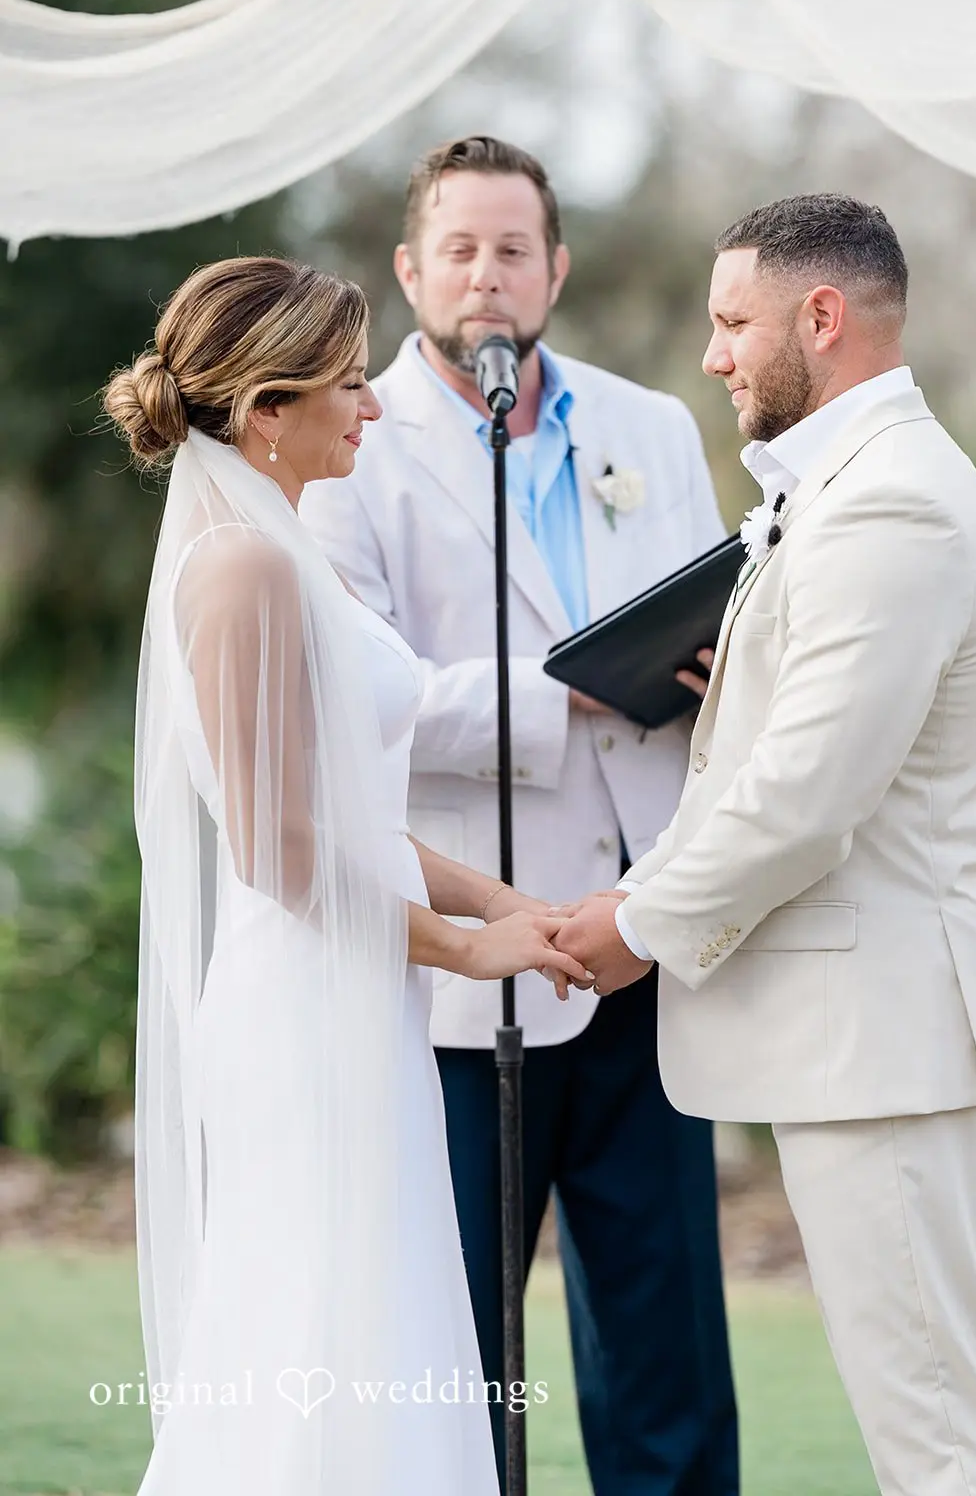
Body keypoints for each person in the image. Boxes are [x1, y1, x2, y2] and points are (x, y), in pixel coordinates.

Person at [553, 194, 976, 1495]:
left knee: (939, 1441)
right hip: (863, 1041)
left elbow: (806, 797)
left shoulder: (893, 507)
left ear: (820, 320)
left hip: (884, 1040)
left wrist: (633, 922)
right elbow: (782, 753)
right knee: (927, 1424)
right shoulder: (841, 491)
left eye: (732, 324)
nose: (712, 355)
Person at [103, 255, 590, 1496]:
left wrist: (498, 901)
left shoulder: (273, 545)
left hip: (351, 993)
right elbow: (278, 850)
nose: (371, 406)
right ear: (266, 410)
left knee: (368, 1311)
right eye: (343, 386)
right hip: (305, 1008)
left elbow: (342, 812)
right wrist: (469, 949)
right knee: (318, 1328)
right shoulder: (243, 567)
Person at [300, 136, 739, 1496]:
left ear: (556, 265)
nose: (486, 278)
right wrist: (575, 701)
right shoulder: (346, 444)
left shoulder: (651, 427)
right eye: (460, 250)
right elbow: (355, 699)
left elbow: (710, 609)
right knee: (462, 1340)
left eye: (512, 250)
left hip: (643, 936)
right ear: (410, 269)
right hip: (466, 961)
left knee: (662, 1334)